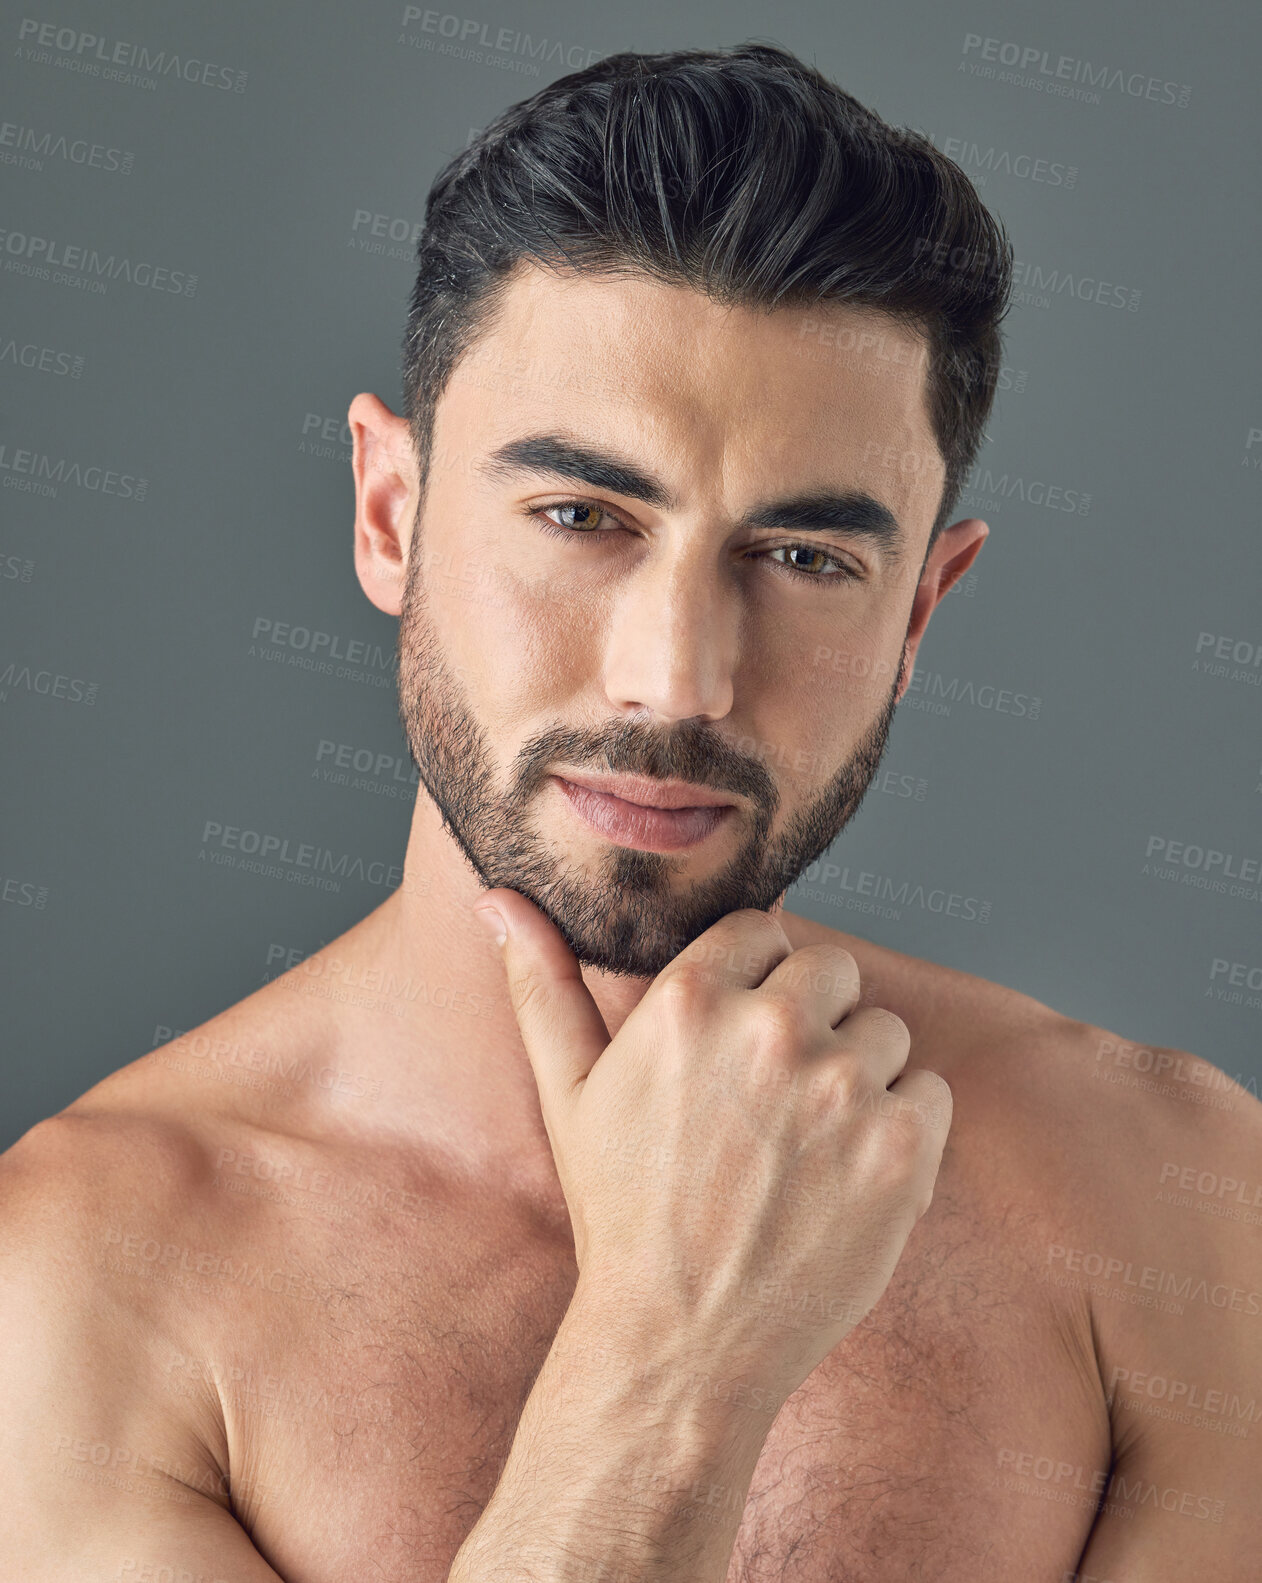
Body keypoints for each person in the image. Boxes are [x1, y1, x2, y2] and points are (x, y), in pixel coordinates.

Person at [2, 41, 1258, 1583]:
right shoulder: (72, 1289)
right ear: (389, 515)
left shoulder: (1177, 1200)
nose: (678, 679)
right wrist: (671, 1359)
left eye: (804, 558)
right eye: (581, 518)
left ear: (921, 611)